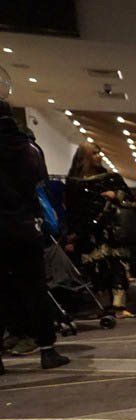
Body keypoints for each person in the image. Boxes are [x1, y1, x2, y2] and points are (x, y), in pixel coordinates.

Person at [0, 98, 69, 374]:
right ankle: (47, 350)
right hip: (25, 226)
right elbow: (39, 185)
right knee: (35, 289)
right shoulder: (27, 149)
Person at [65, 142, 136, 319]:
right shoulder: (74, 182)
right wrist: (72, 234)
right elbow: (72, 209)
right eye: (94, 153)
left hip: (111, 230)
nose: (98, 156)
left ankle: (119, 306)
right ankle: (103, 306)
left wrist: (116, 196)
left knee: (117, 266)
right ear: (85, 157)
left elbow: (132, 201)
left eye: (99, 152)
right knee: (95, 270)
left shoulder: (111, 178)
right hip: (88, 232)